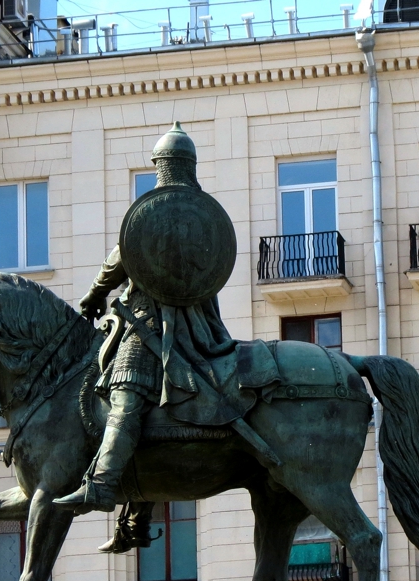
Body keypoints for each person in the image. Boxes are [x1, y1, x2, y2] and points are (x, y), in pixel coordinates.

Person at [53, 123, 277, 554]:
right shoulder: (200, 216)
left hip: (149, 327)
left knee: (127, 401)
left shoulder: (154, 214)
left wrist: (93, 297)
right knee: (159, 416)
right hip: (203, 332)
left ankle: (100, 486)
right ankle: (135, 516)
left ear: (160, 167)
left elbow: (118, 260)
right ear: (189, 167)